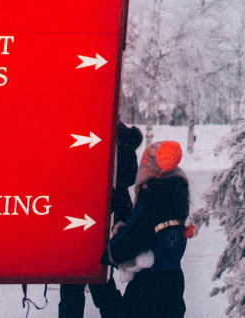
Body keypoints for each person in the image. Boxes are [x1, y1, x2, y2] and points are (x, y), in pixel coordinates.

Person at [58, 123, 144, 318]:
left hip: (104, 220)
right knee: (78, 286)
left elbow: (128, 177)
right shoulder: (77, 128)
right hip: (79, 219)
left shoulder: (118, 133)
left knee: (98, 284)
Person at [107, 140, 191, 318]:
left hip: (146, 294)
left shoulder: (150, 203)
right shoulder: (177, 199)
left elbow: (120, 250)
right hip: (173, 287)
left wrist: (118, 231)